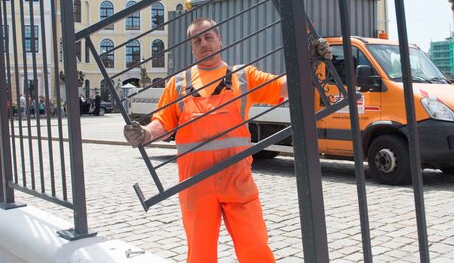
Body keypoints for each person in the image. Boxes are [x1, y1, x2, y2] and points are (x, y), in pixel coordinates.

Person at [123, 17, 330, 263]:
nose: (204, 43)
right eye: (197, 40)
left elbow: (284, 87)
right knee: (200, 255)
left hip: (237, 180)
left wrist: (309, 64)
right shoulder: (177, 84)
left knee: (255, 249)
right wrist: (144, 133)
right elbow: (163, 123)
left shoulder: (243, 76)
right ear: (192, 47)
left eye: (208, 37)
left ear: (220, 39)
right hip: (195, 183)